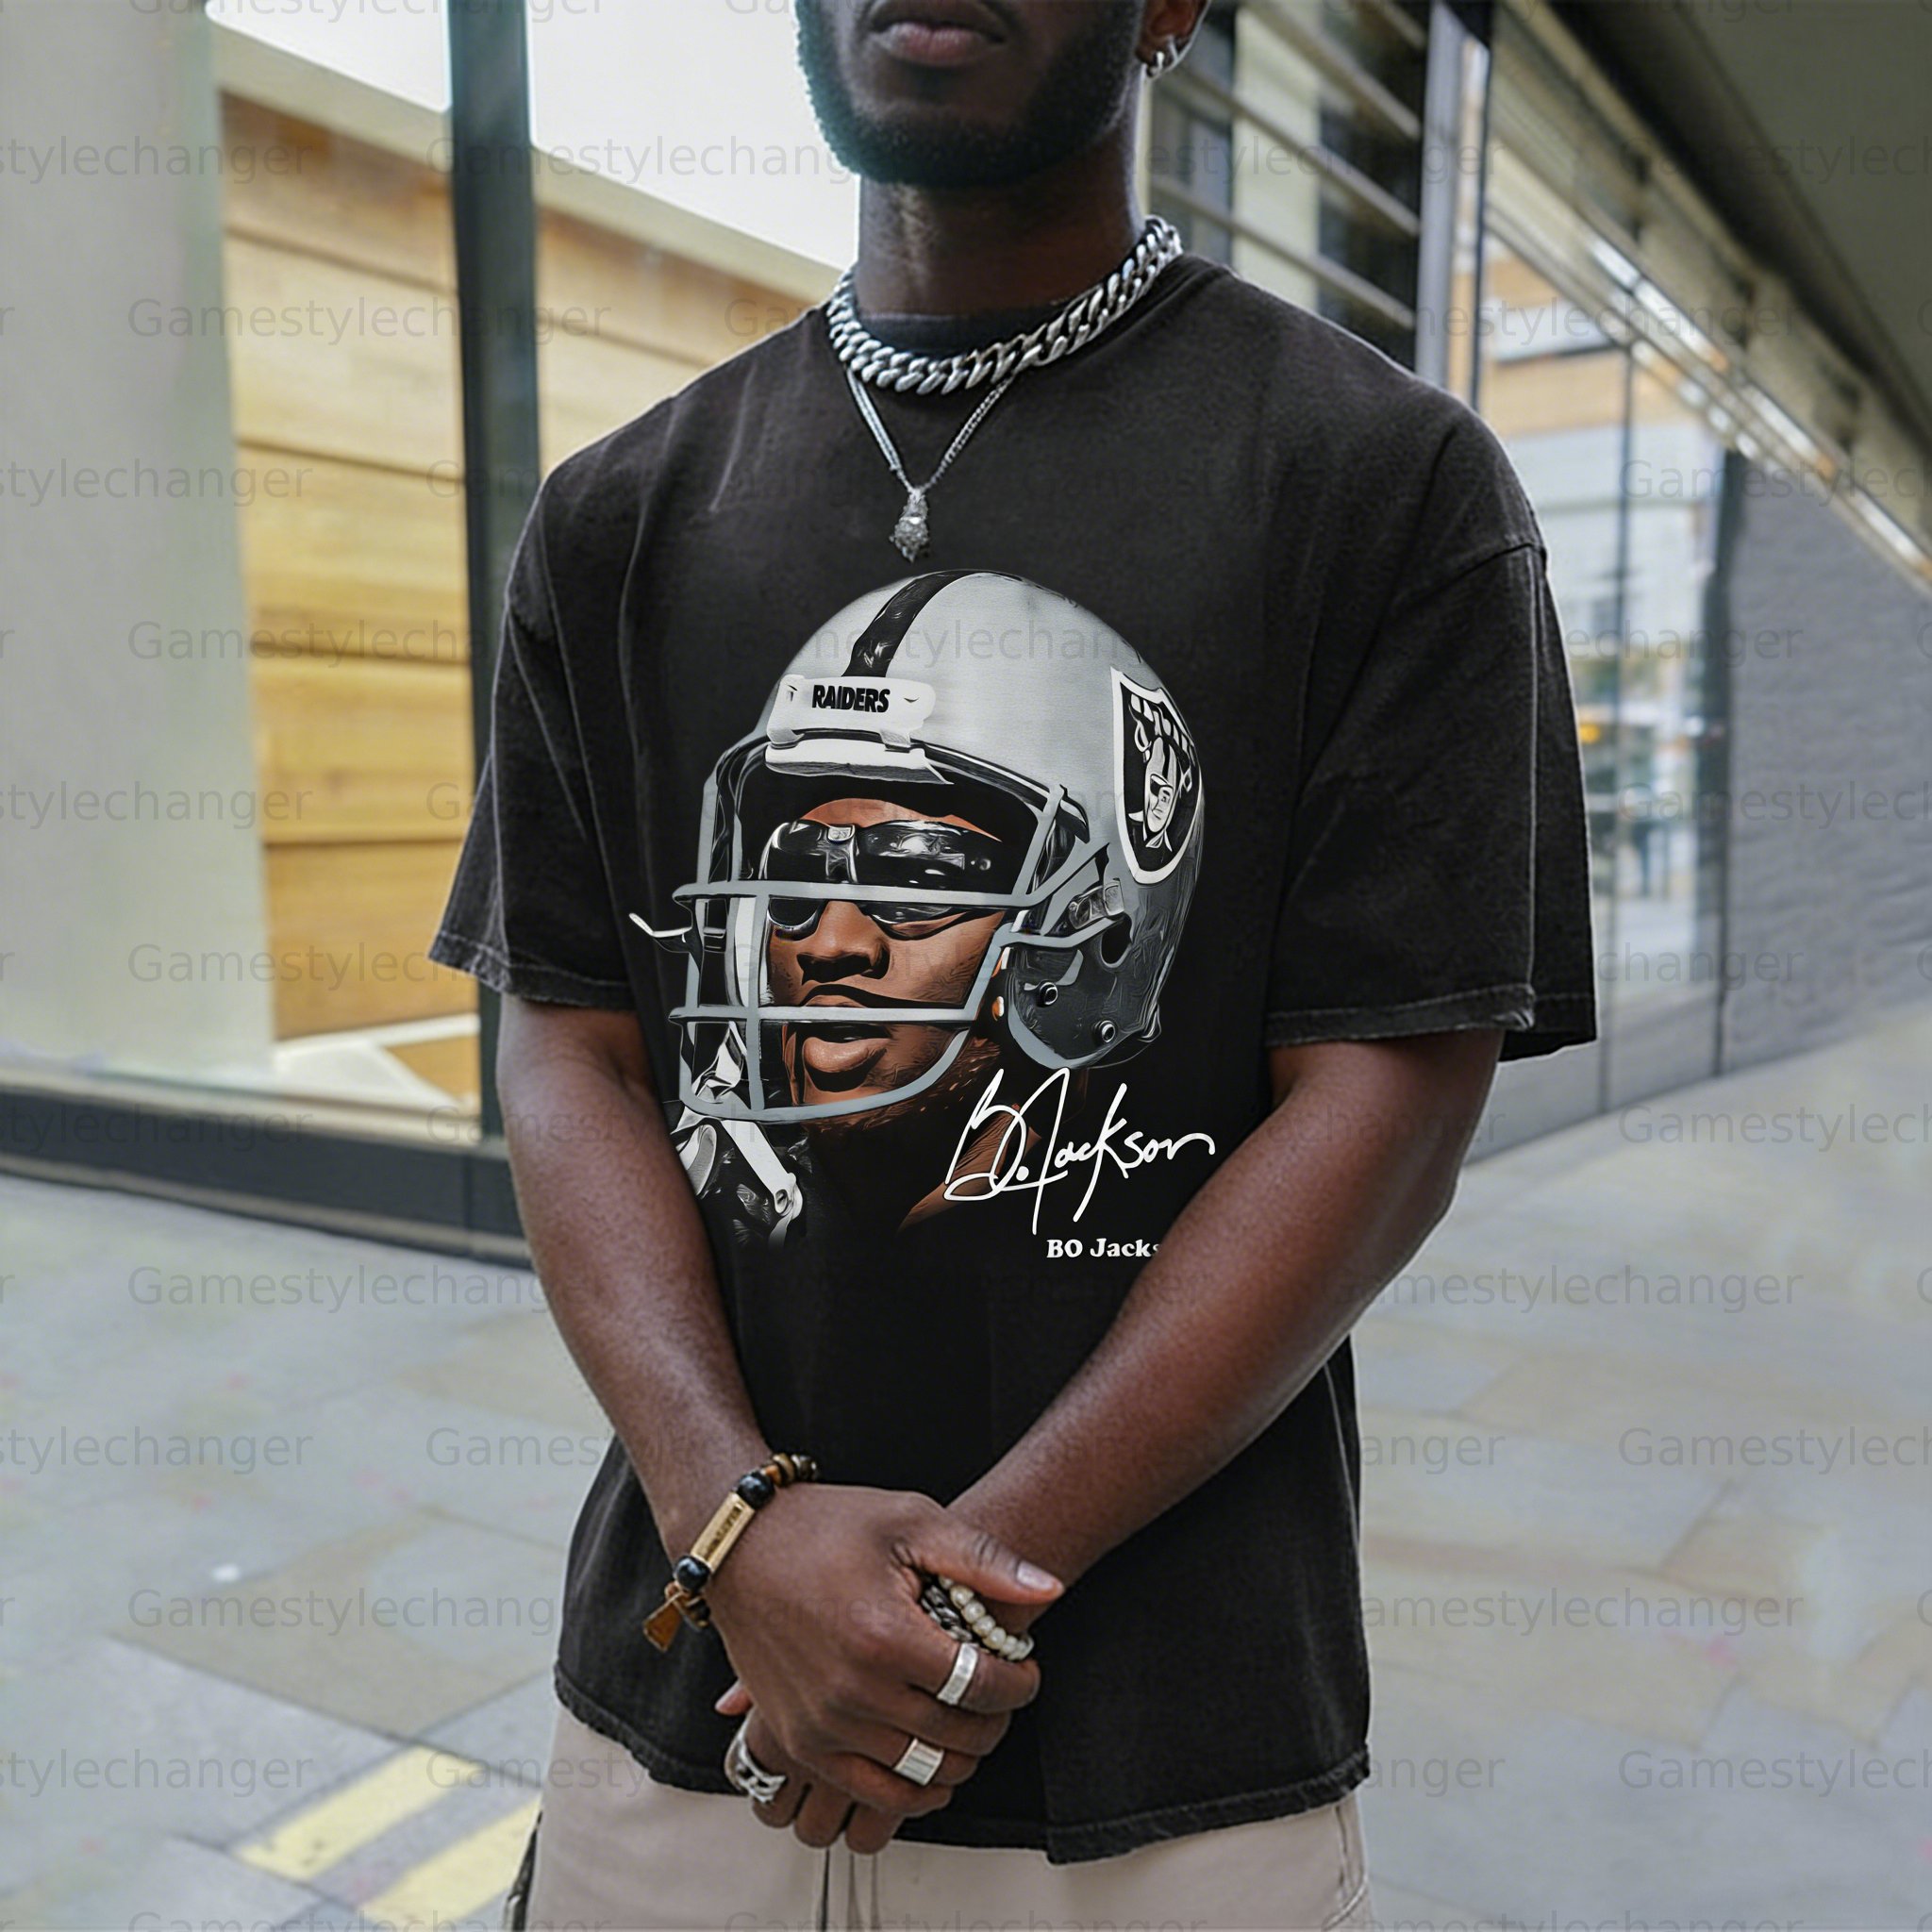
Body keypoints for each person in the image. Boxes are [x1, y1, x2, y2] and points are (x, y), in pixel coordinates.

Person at [428, 1, 1597, 1924]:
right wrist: (735, 1527)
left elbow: (1387, 1097)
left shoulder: (1381, 482)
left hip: (1159, 1761)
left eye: (910, 868)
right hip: (688, 1708)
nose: (828, 932)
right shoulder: (620, 511)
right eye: (807, 863)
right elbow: (571, 1046)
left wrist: (949, 1597)